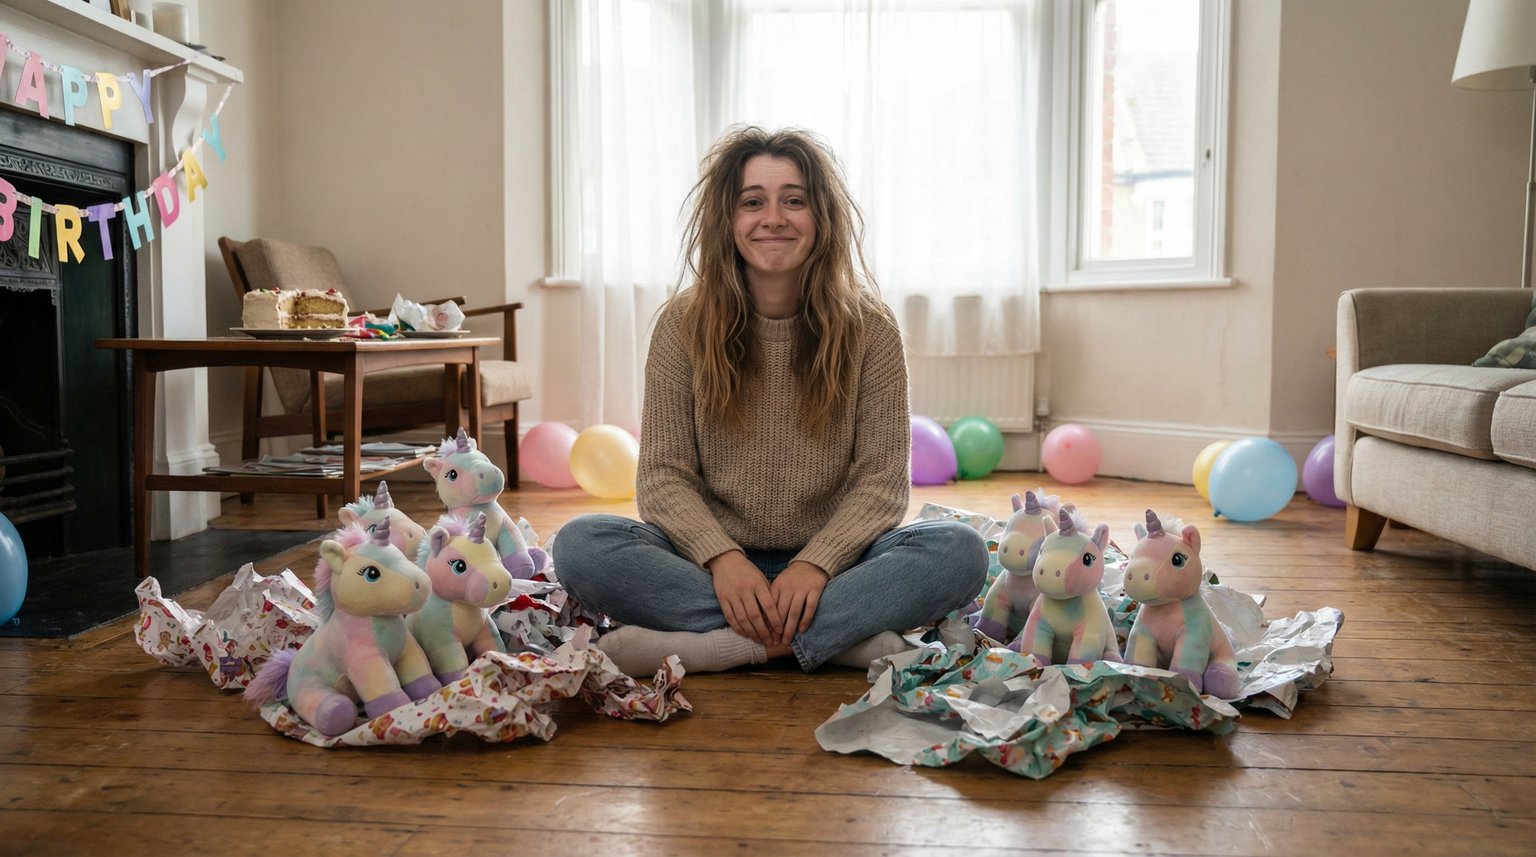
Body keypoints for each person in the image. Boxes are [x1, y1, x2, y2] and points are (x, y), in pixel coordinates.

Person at [552, 126, 988, 676]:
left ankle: (721, 646)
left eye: (794, 201)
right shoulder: (681, 325)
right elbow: (663, 476)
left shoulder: (871, 329)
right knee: (580, 545)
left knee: (960, 551)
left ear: (821, 218)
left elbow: (881, 482)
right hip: (710, 567)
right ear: (727, 221)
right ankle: (842, 639)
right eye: (752, 202)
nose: (773, 218)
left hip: (837, 568)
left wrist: (816, 565)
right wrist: (725, 560)